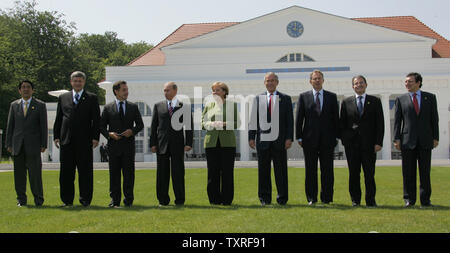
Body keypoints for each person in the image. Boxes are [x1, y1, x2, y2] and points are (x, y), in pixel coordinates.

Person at [53, 71, 100, 207]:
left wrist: (95, 137)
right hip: (66, 140)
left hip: (85, 141)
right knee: (66, 173)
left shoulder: (91, 98)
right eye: (75, 81)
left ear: (84, 82)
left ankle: (85, 200)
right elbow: (59, 118)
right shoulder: (63, 97)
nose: (77, 83)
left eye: (80, 81)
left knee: (85, 172)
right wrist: (56, 136)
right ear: (71, 82)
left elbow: (96, 120)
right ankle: (67, 200)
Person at [393, 72, 439, 208]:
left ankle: (425, 200)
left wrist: (435, 137)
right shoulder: (401, 99)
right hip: (407, 141)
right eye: (406, 82)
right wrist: (396, 139)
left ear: (418, 82)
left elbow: (434, 119)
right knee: (408, 173)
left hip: (425, 140)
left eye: (410, 81)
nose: (407, 84)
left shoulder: (430, 98)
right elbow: (397, 121)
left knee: (425, 172)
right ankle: (409, 199)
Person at [249, 72, 294, 206]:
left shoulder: (285, 99)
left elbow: (289, 121)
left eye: (273, 80)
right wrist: (251, 137)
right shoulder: (258, 98)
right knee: (263, 172)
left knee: (281, 172)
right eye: (268, 81)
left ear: (277, 83)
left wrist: (289, 138)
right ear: (264, 83)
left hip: (280, 141)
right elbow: (253, 120)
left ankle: (282, 198)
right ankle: (264, 198)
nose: (270, 83)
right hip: (263, 141)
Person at [296, 70, 339, 205]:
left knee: (327, 170)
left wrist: (336, 137)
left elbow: (335, 119)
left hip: (327, 140)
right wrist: (299, 137)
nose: (317, 80)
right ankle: (311, 198)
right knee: (310, 171)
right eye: (314, 79)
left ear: (323, 80)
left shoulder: (332, 97)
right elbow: (299, 119)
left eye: (319, 78)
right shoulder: (304, 97)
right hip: (309, 140)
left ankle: (327, 198)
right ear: (310, 81)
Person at [339, 75, 384, 207]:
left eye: (361, 83)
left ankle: (370, 200)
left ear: (366, 84)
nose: (359, 85)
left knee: (369, 174)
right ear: (352, 86)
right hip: (352, 145)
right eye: (356, 83)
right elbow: (342, 124)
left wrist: (378, 142)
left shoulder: (375, 101)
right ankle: (355, 200)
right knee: (353, 174)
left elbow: (380, 124)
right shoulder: (346, 102)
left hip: (369, 144)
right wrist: (345, 140)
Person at [100, 80, 144, 208]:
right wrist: (109, 134)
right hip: (114, 147)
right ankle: (115, 200)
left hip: (128, 146)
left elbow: (140, 124)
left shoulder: (133, 107)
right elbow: (101, 126)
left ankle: (128, 200)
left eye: (127, 89)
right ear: (116, 91)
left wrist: (132, 131)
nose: (126, 92)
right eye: (124, 90)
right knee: (114, 175)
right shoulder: (108, 108)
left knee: (129, 175)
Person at [150, 82, 193, 206]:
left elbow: (189, 127)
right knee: (162, 174)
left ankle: (180, 200)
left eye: (167, 90)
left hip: (178, 145)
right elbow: (154, 127)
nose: (165, 92)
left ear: (175, 91)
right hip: (161, 145)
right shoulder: (158, 106)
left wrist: (189, 143)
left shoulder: (184, 107)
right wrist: (153, 143)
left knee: (178, 173)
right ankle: (163, 200)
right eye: (164, 90)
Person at [6, 80, 48, 207]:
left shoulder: (40, 105)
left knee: (35, 175)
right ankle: (21, 200)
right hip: (17, 145)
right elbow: (10, 126)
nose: (25, 89)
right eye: (23, 87)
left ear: (32, 90)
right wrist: (8, 144)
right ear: (19, 90)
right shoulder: (14, 105)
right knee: (19, 176)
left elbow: (43, 126)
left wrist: (43, 144)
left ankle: (38, 200)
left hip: (34, 145)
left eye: (28, 87)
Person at [202, 82, 240, 205]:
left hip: (227, 143)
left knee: (227, 172)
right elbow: (203, 123)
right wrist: (211, 124)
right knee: (212, 172)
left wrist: (224, 124)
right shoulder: (208, 105)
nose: (214, 92)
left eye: (217, 90)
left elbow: (237, 123)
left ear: (224, 92)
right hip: (211, 143)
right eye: (213, 90)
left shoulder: (232, 105)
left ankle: (227, 199)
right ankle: (214, 200)